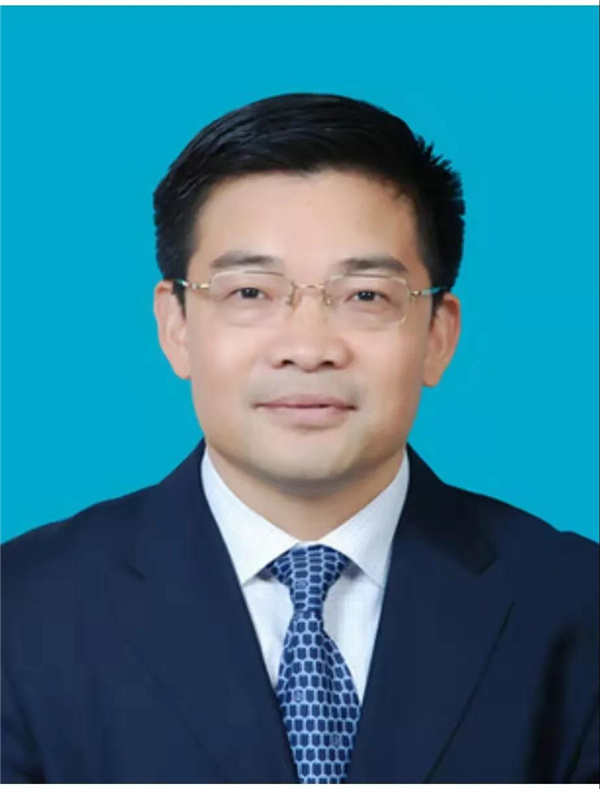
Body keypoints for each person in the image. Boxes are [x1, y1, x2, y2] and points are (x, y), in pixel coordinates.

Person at [1, 93, 598, 785]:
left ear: (438, 334)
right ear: (177, 324)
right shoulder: (22, 610)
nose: (308, 348)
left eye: (365, 295)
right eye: (250, 293)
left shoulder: (574, 604)